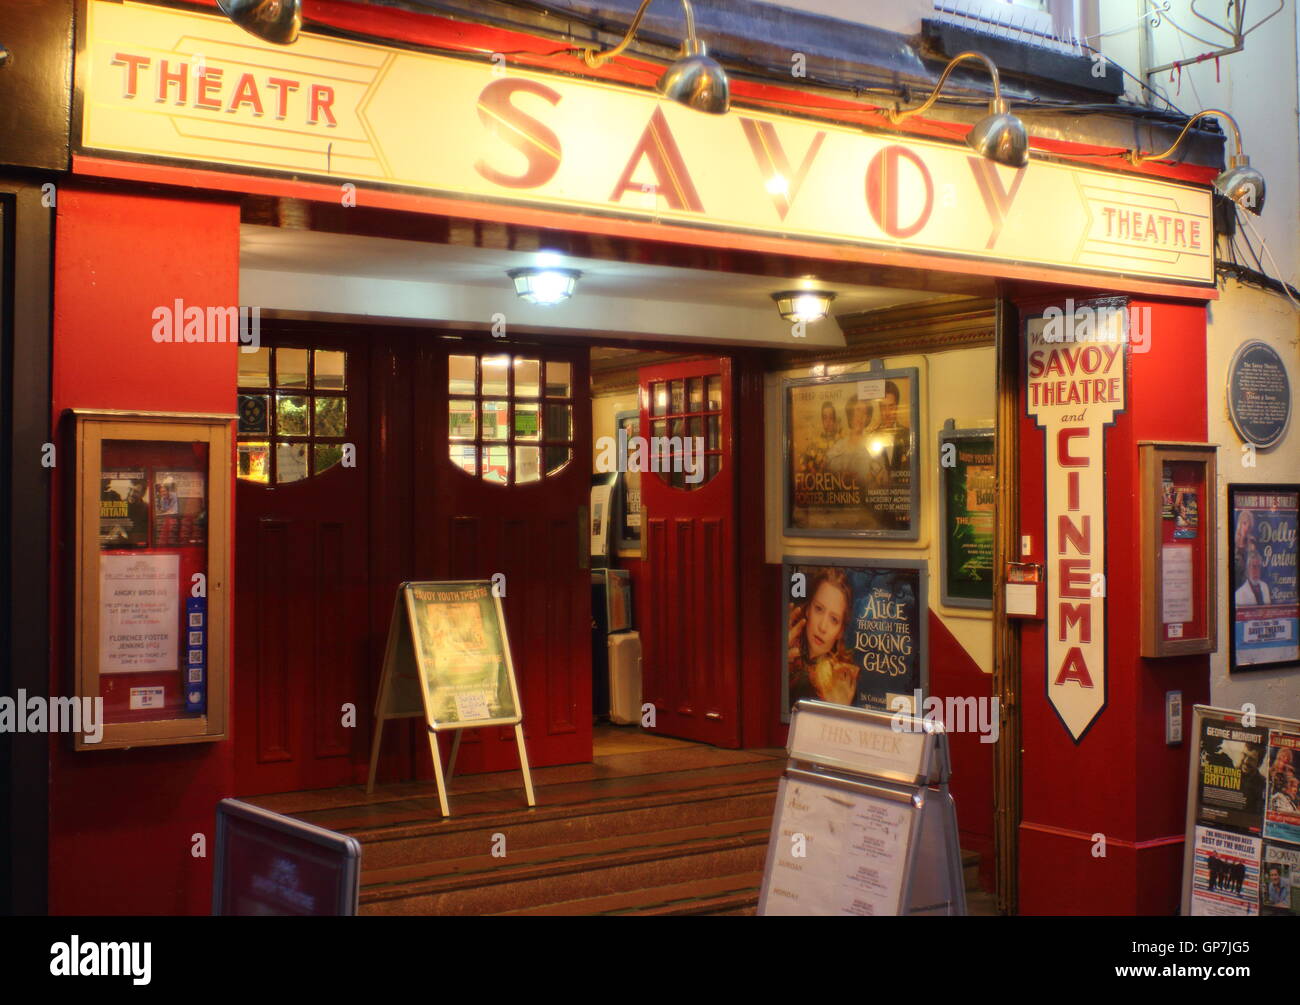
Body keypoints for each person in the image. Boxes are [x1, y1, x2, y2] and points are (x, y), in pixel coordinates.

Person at [788, 568, 859, 707]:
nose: (822, 627)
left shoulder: (842, 683)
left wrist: (841, 708)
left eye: (834, 619)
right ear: (808, 609)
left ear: (840, 631)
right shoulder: (787, 651)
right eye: (819, 609)